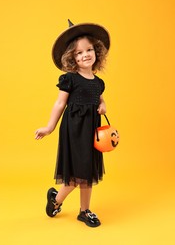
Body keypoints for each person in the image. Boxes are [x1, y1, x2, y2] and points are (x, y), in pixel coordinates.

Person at [35, 20, 110, 227]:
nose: (85, 55)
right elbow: (60, 103)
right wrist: (49, 127)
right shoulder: (70, 79)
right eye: (78, 53)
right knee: (78, 173)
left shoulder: (98, 81)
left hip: (92, 130)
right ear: (71, 58)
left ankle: (84, 211)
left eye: (89, 50)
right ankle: (56, 200)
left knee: (88, 172)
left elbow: (100, 98)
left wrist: (103, 106)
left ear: (97, 52)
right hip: (75, 129)